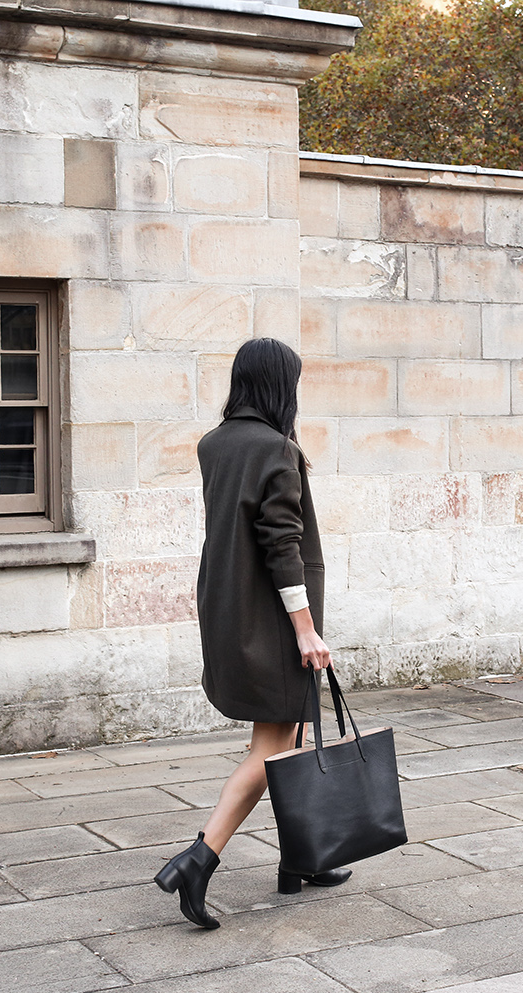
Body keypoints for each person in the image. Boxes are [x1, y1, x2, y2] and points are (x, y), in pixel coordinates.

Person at [153, 338, 350, 930]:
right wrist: (306, 630)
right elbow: (281, 546)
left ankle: (301, 861)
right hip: (271, 620)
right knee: (272, 745)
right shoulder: (276, 449)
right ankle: (198, 858)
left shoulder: (216, 444)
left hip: (227, 609)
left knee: (284, 736)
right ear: (278, 386)